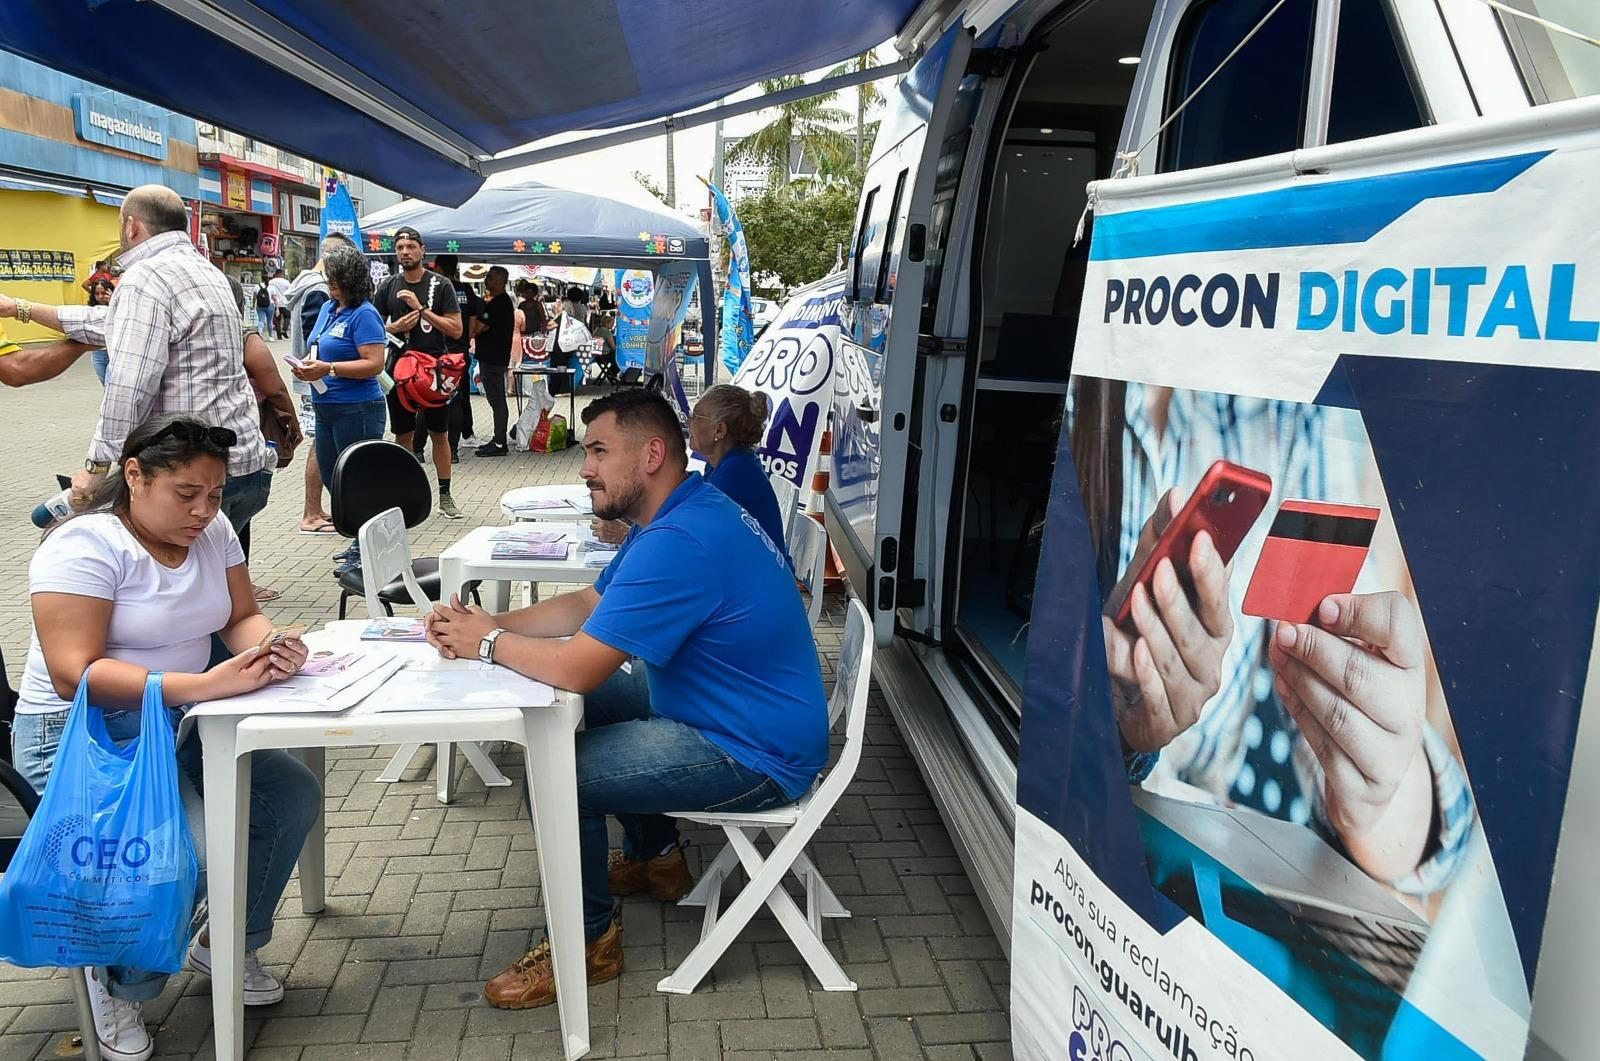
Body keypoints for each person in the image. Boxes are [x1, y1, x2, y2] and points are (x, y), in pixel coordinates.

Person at [425, 389, 826, 1009]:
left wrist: (486, 643)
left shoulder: (679, 539)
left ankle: (587, 945)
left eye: (598, 452)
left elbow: (578, 669)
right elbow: (589, 604)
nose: (585, 468)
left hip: (754, 750)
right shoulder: (679, 509)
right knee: (594, 705)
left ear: (651, 455)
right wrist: (490, 622)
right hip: (730, 709)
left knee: (557, 773)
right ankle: (655, 859)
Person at [1071, 379, 1472, 894]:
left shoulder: (1287, 410)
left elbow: (1432, 833)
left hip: (1187, 873)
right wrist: (1108, 722)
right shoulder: (1069, 401)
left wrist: (1382, 792)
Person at [9, 413, 318, 1061]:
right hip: (81, 736)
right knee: (184, 854)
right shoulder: (85, 545)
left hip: (175, 715)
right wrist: (204, 685)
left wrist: (270, 643)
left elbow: (239, 615)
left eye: (215, 494)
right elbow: (75, 675)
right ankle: (118, 981)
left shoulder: (213, 532)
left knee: (288, 795)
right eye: (186, 494)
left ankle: (225, 944)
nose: (204, 510)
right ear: (134, 475)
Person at [0, 185, 276, 542]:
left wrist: (96, 467)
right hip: (244, 468)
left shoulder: (146, 278)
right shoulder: (208, 273)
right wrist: (21, 308)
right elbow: (110, 322)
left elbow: (130, 387)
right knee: (219, 571)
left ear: (131, 225)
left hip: (191, 478)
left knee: (168, 574)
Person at [289, 242, 388, 563]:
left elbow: (374, 364)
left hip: (357, 409)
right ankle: (359, 538)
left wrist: (329, 368)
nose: (329, 283)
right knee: (336, 477)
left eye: (335, 278)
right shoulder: (330, 308)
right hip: (325, 407)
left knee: (359, 478)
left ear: (350, 279)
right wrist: (307, 365)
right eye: (328, 277)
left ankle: (368, 548)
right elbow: (318, 346)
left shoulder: (365, 314)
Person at [373, 227, 463, 518]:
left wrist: (421, 309)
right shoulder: (388, 286)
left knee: (440, 434)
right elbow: (371, 327)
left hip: (433, 370)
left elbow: (456, 329)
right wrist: (394, 327)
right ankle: (404, 495)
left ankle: (445, 496)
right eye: (400, 247)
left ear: (422, 250)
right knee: (403, 435)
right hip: (399, 371)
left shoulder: (441, 285)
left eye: (411, 246)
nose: (405, 252)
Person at [281, 233, 360, 534]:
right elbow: (316, 341)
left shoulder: (305, 284)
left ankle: (316, 510)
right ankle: (312, 512)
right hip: (317, 381)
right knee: (319, 446)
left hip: (315, 377)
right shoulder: (318, 290)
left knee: (320, 443)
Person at [430, 254, 480, 460]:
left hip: (438, 351)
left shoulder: (436, 289)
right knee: (459, 398)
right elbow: (474, 318)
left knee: (432, 397)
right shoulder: (466, 289)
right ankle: (456, 445)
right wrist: (466, 338)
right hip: (460, 352)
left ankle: (422, 447)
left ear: (439, 269)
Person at [474, 265, 515, 456]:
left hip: (493, 358)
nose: (486, 280)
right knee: (496, 400)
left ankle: (499, 442)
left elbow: (478, 327)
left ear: (499, 281)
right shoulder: (499, 302)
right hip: (494, 357)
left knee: (497, 400)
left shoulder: (499, 303)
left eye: (490, 277)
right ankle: (498, 439)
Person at [85, 278, 115, 384]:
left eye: (103, 293)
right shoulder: (90, 310)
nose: (101, 297)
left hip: (113, 352)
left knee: (110, 384)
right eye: (97, 294)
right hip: (97, 353)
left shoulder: (119, 307)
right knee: (105, 385)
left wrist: (113, 302)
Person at [268, 269, 291, 339]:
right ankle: (284, 329)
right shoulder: (286, 282)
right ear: (282, 274)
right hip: (285, 303)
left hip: (275, 303)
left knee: (277, 319)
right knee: (287, 317)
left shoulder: (271, 282)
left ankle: (279, 335)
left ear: (276, 274)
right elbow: (290, 291)